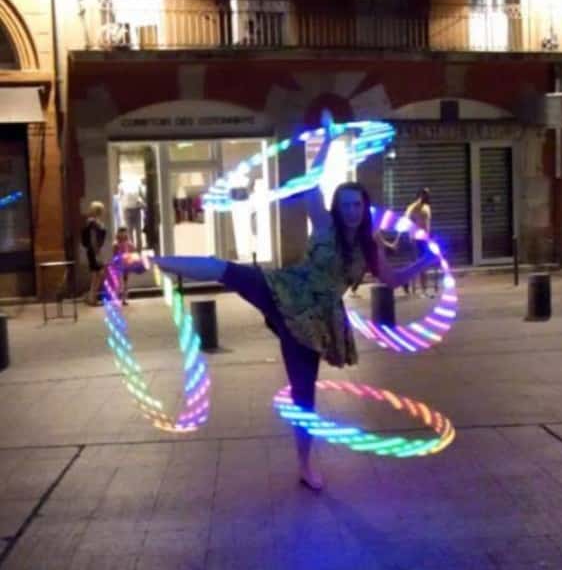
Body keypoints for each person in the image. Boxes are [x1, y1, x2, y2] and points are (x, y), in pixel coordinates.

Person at [154, 126, 435, 491]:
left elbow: (394, 280)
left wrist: (425, 264)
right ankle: (155, 260)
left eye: (357, 204)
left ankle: (304, 465)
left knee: (304, 394)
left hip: (313, 323)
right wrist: (328, 142)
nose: (351, 211)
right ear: (338, 208)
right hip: (284, 290)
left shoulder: (370, 249)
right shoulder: (322, 224)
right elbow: (309, 184)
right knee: (225, 269)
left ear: (365, 208)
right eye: (346, 204)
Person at [81, 201, 107, 306]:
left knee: (96, 275)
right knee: (99, 274)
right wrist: (97, 253)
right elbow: (93, 239)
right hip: (94, 251)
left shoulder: (93, 222)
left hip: (92, 250)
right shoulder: (93, 223)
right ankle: (92, 297)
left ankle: (91, 297)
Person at [112, 226, 135, 305]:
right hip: (119, 264)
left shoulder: (129, 243)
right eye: (121, 232)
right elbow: (114, 254)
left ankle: (124, 299)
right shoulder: (116, 244)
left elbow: (132, 251)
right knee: (119, 281)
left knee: (125, 281)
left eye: (124, 232)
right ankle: (118, 297)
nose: (123, 234)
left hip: (126, 264)